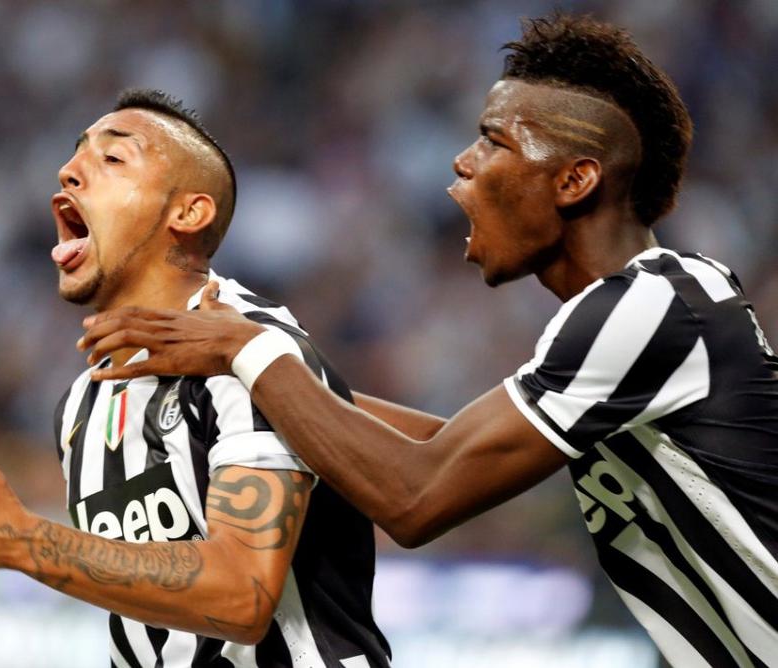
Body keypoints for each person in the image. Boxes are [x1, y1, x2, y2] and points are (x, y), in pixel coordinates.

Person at [74, 14, 778, 668]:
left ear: (574, 180)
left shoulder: (651, 306)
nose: (463, 162)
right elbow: (442, 449)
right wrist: (250, 376)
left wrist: (247, 351)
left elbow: (417, 496)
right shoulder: (639, 314)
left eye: (493, 141)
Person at [0, 90, 391, 667]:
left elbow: (243, 595)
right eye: (75, 154)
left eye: (112, 158)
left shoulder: (250, 350)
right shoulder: (81, 403)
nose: (69, 171)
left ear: (188, 213)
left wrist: (24, 541)